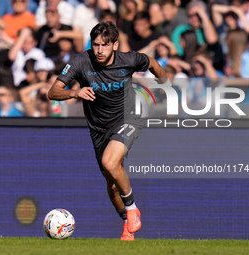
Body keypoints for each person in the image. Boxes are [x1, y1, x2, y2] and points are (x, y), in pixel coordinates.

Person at [48, 21, 170, 241]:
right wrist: (75, 93)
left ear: (115, 45)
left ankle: (132, 209)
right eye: (95, 45)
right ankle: (126, 221)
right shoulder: (80, 62)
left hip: (128, 118)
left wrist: (166, 84)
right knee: (112, 184)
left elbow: (151, 62)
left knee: (110, 162)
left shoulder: (129, 60)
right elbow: (53, 91)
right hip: (98, 128)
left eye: (104, 45)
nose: (99, 50)